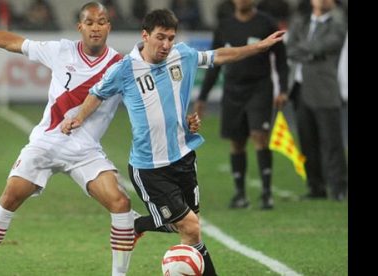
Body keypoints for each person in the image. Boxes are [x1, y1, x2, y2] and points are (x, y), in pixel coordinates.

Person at [61, 8, 285, 275]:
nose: (166, 45)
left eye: (170, 38)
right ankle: (144, 230)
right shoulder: (124, 69)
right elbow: (96, 94)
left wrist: (259, 47)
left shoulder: (183, 55)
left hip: (183, 157)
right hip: (149, 167)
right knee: (190, 226)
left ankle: (138, 225)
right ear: (145, 36)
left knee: (189, 229)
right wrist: (78, 118)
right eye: (160, 37)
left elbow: (219, 56)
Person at [0, 3, 137, 276]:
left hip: (85, 151)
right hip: (46, 144)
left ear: (109, 26)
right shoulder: (61, 50)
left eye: (102, 22)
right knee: (10, 197)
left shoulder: (121, 65)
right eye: (90, 22)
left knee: (120, 203)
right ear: (79, 26)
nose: (96, 27)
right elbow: (13, 42)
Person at [193, 0, 289, 210]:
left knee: (259, 137)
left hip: (260, 88)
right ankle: (240, 194)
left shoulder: (267, 23)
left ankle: (266, 193)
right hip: (233, 90)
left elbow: (281, 59)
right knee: (236, 142)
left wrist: (282, 89)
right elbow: (214, 63)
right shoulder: (224, 26)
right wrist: (202, 97)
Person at [286, 0, 347, 201]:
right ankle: (316, 187)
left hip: (325, 90)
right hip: (300, 90)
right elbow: (290, 48)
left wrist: (304, 50)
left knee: (332, 143)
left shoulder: (337, 22)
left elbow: (326, 45)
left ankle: (339, 188)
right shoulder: (301, 21)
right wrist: (310, 52)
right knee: (307, 142)